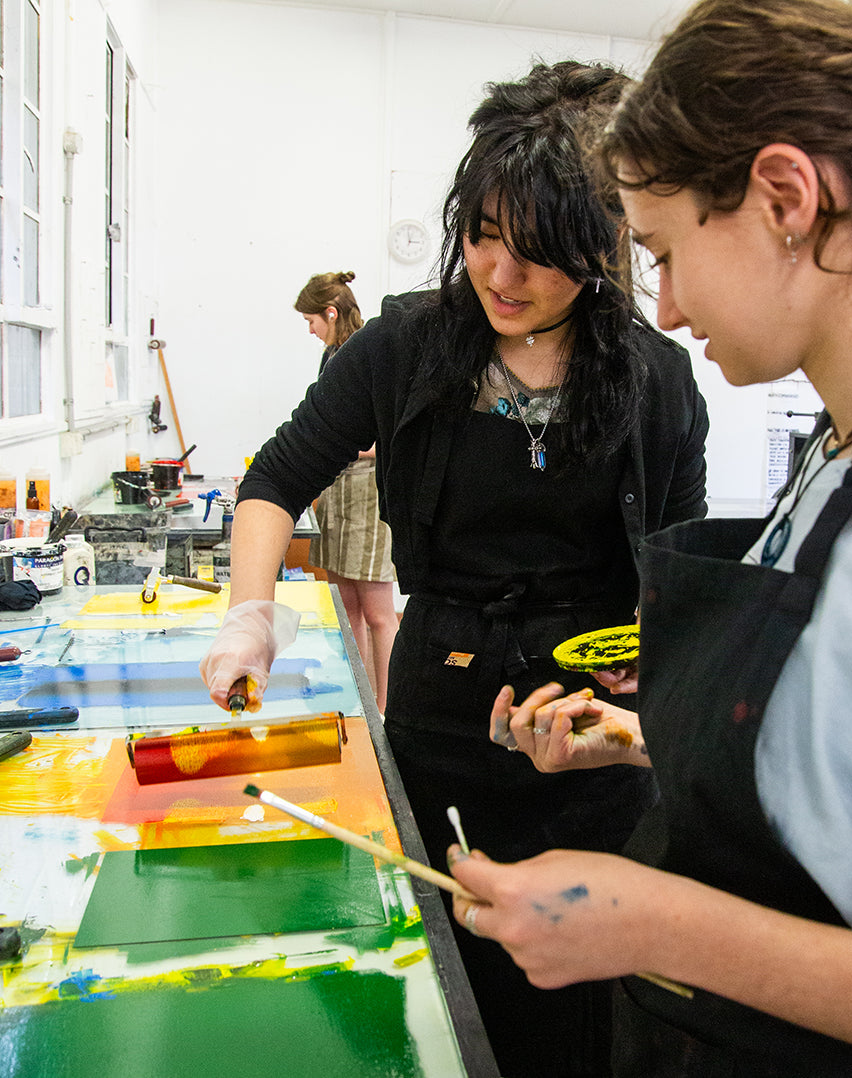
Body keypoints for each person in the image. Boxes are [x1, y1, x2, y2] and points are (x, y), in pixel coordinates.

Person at [446, 4, 852, 1077]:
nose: (673, 307)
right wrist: (652, 738)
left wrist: (652, 923)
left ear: (784, 198)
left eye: (666, 253)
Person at [200, 60, 709, 1077]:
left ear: (600, 246)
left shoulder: (653, 373)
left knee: (577, 1005)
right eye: (481, 235)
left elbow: (680, 567)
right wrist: (247, 610)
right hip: (444, 693)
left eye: (537, 252)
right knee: (446, 975)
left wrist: (651, 699)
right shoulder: (407, 343)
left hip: (592, 715)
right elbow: (275, 477)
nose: (500, 275)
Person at [294, 271, 398, 712]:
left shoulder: (368, 356)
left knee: (378, 613)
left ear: (331, 312)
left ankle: (387, 708)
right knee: (346, 608)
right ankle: (360, 701)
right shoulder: (330, 357)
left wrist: (344, 445)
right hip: (337, 491)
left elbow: (387, 434)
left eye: (311, 320)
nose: (310, 329)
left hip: (368, 495)